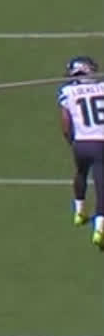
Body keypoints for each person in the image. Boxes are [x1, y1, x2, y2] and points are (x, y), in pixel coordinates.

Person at [58, 55, 104, 248]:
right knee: (103, 187)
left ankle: (80, 211)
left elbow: (66, 121)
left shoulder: (67, 91)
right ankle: (100, 228)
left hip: (81, 143)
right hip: (101, 143)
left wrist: (71, 140)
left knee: (81, 173)